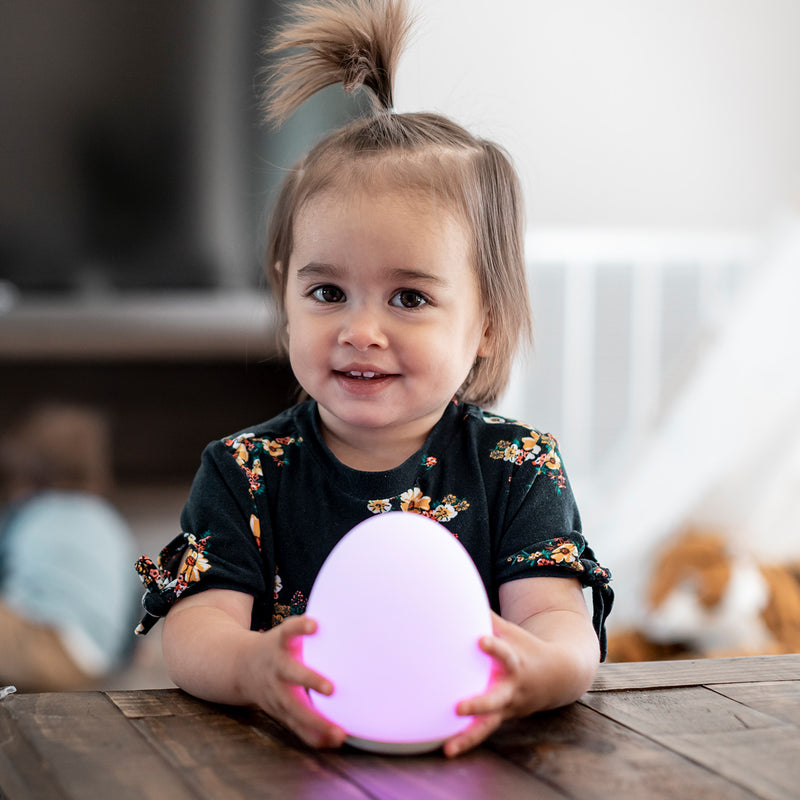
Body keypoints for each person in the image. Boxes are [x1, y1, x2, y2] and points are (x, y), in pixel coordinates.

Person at [135, 0, 612, 757]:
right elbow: (194, 632)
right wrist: (249, 665)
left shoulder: (518, 468)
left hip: (474, 759)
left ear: (485, 321)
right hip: (285, 761)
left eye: (410, 298)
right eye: (327, 293)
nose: (361, 330)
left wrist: (540, 672)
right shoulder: (243, 472)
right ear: (286, 299)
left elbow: (559, 625)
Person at [0, 403, 140, 691]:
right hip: (94, 662)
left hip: (42, 643)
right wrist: (124, 658)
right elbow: (134, 599)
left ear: (26, 476)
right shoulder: (109, 521)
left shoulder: (28, 511)